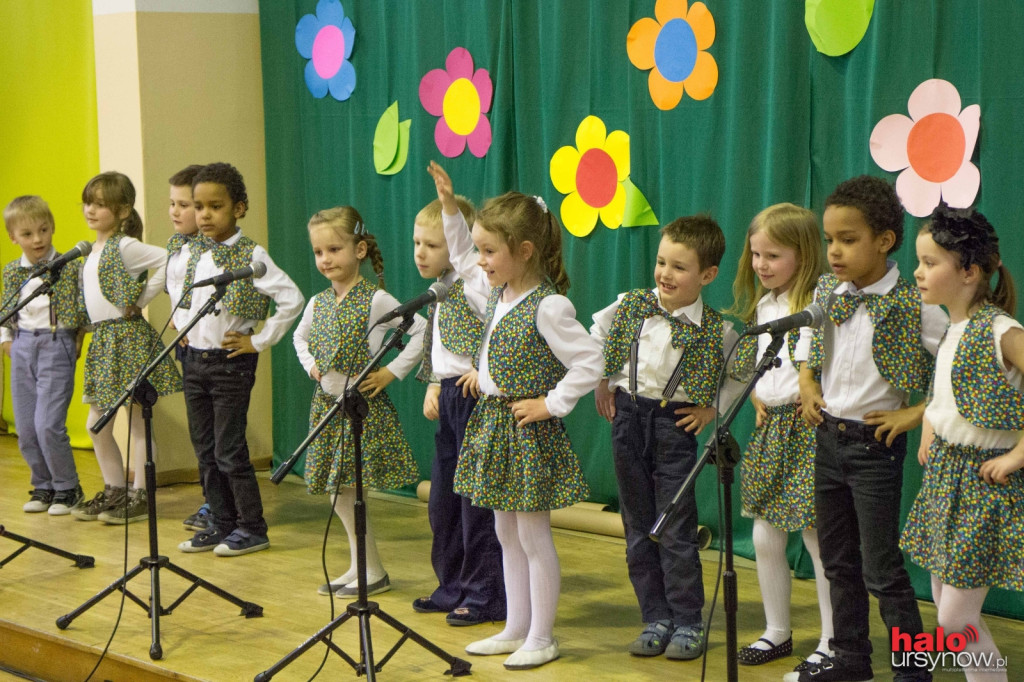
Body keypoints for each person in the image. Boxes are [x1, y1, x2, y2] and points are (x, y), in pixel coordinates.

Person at [432, 161, 603, 671]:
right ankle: (516, 627)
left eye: (491, 251)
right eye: (480, 250)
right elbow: (461, 255)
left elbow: (590, 360)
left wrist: (551, 403)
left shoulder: (548, 306)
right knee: (505, 533)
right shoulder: (498, 293)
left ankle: (543, 636)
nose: (480, 260)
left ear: (524, 251)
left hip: (527, 430)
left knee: (532, 536)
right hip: (493, 423)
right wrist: (448, 209)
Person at [794, 175, 947, 682]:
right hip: (827, 439)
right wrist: (808, 381)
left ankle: (912, 670)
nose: (834, 251)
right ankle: (851, 659)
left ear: (884, 241)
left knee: (881, 568)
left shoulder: (916, 301)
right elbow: (811, 347)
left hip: (874, 448)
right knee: (837, 561)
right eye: (830, 240)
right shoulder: (826, 290)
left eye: (848, 240)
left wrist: (914, 412)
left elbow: (957, 369)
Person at [591, 213, 742, 662]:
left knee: (675, 528)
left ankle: (688, 620)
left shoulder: (719, 329)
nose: (665, 274)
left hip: (674, 426)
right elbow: (595, 337)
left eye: (679, 267)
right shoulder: (631, 303)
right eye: (661, 262)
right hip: (629, 418)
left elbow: (741, 376)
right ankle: (654, 616)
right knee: (637, 524)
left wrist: (713, 410)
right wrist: (604, 378)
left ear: (707, 275)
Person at [900, 205, 1021, 682]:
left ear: (969, 272)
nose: (918, 271)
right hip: (946, 480)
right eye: (919, 261)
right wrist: (931, 422)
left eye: (930, 263)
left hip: (983, 489)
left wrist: (1017, 454)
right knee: (947, 608)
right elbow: (949, 390)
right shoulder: (952, 327)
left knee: (954, 619)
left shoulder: (1001, 331)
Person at [293, 206, 423, 595]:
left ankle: (373, 570)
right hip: (327, 407)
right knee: (339, 493)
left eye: (334, 249)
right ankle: (360, 566)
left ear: (360, 250)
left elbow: (419, 331)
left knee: (351, 493)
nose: (325, 259)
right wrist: (312, 367)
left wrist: (390, 372)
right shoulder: (317, 303)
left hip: (358, 409)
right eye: (318, 252)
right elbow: (299, 338)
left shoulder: (376, 300)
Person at [176, 162, 303, 557]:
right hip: (192, 361)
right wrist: (184, 330)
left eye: (215, 206)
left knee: (229, 449)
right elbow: (182, 295)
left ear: (239, 208)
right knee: (204, 449)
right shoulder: (189, 250)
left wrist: (259, 340)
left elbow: (292, 299)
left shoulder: (252, 255)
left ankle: (252, 526)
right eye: (199, 207)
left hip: (229, 363)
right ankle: (220, 521)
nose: (205, 215)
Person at [728, 203, 834, 673]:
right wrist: (757, 397)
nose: (761, 265)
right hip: (771, 428)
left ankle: (833, 640)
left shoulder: (817, 304)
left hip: (810, 430)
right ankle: (777, 630)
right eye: (755, 254)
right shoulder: (766, 304)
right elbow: (766, 367)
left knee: (818, 537)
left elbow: (821, 368)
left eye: (772, 255)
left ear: (804, 254)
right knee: (766, 534)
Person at [409, 195, 506, 625]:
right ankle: (451, 585)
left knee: (475, 504)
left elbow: (496, 332)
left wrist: (479, 371)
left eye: (432, 244)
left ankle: (484, 593)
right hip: (449, 396)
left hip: (476, 398)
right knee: (443, 503)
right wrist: (434, 382)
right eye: (417, 243)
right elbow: (440, 342)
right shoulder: (440, 289)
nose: (420, 253)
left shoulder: (476, 283)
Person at [73, 171, 182, 524]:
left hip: (128, 338)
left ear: (122, 211)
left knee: (137, 421)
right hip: (105, 341)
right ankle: (114, 489)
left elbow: (167, 259)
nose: (91, 210)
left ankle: (140, 495)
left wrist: (142, 298)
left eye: (100, 204)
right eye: (88, 202)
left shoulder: (124, 245)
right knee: (97, 423)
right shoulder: (92, 250)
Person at [1, 195, 88, 515]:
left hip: (56, 343)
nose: (37, 239)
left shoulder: (69, 266)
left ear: (52, 227)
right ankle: (43, 485)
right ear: (13, 237)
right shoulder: (12, 272)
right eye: (27, 234)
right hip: (23, 345)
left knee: (48, 424)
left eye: (43, 230)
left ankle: (68, 487)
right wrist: (6, 340)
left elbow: (83, 309)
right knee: (25, 428)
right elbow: (6, 308)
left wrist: (77, 339)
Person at [163, 164, 213, 532]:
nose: (176, 212)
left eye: (185, 205)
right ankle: (212, 501)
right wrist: (179, 324)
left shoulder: (212, 249)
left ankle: (220, 506)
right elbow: (175, 292)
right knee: (201, 435)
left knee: (217, 437)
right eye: (173, 203)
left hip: (214, 350)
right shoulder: (176, 245)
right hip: (187, 347)